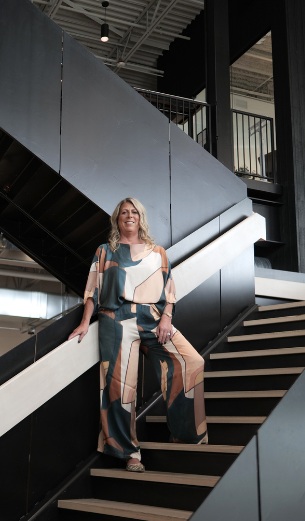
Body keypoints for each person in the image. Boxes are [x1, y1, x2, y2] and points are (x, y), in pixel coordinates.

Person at [69, 197, 208, 472]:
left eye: (134, 212)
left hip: (153, 318)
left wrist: (166, 317)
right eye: (124, 212)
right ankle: (129, 452)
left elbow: (169, 291)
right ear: (117, 219)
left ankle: (187, 437)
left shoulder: (158, 252)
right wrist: (85, 322)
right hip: (115, 319)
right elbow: (92, 291)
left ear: (141, 217)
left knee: (191, 362)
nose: (129, 215)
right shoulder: (105, 251)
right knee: (120, 387)